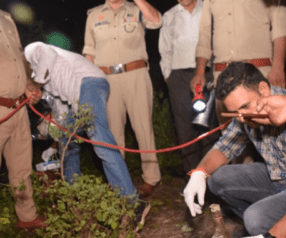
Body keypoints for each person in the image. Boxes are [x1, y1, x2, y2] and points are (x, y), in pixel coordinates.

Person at [184, 62, 286, 238]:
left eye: (245, 107)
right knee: (218, 179)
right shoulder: (247, 112)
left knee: (255, 218)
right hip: (279, 179)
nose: (242, 117)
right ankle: (269, 231)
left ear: (264, 90)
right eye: (236, 112)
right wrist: (199, 172)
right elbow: (223, 148)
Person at [24, 42, 140, 206]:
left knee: (101, 142)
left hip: (89, 83)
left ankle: (131, 202)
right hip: (79, 97)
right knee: (67, 140)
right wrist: (53, 147)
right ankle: (75, 200)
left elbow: (47, 56)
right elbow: (61, 117)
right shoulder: (47, 85)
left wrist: (35, 85)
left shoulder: (31, 51)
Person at [190, 0, 286, 163]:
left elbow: (280, 26)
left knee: (272, 134)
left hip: (258, 73)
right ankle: (242, 184)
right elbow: (205, 33)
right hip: (223, 77)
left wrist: (278, 66)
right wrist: (200, 71)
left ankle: (284, 183)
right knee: (232, 140)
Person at [83, 0, 162, 197]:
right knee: (113, 131)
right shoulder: (94, 15)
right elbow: (89, 53)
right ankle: (119, 182)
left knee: (143, 127)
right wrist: (88, 85)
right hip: (106, 78)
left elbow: (156, 21)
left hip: (136, 74)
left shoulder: (136, 9)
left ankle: (151, 178)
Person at [159, 0, 213, 191]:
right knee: (185, 130)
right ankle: (192, 179)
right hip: (179, 76)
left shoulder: (209, 7)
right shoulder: (169, 16)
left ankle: (212, 180)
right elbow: (164, 51)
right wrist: (169, 77)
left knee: (209, 127)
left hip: (207, 73)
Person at [0, 10, 46, 229]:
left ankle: (27, 217)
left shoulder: (6, 18)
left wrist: (28, 83)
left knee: (21, 165)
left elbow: (19, 57)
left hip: (18, 107)